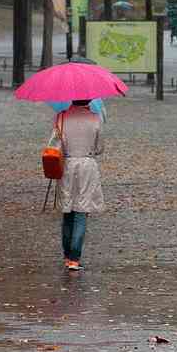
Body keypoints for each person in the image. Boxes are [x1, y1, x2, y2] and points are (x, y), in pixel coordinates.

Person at [53, 100, 105, 270]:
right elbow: (99, 148)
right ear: (89, 100)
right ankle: (75, 258)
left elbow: (55, 145)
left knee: (67, 210)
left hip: (66, 165)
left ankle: (68, 256)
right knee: (81, 211)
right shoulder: (95, 119)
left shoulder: (61, 118)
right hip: (86, 166)